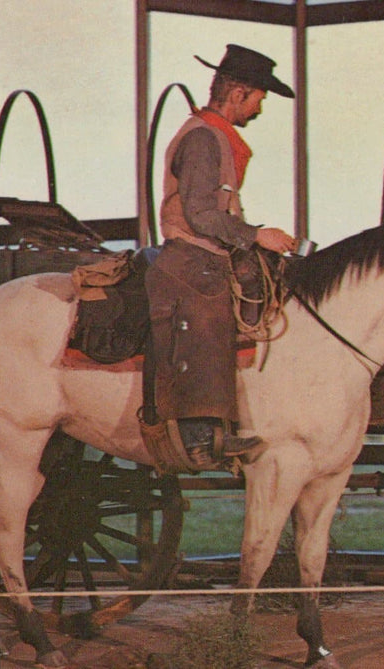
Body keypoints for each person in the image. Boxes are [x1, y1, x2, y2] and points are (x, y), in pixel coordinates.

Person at [144, 44, 296, 468]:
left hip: (213, 249)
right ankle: (199, 433)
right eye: (259, 99)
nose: (260, 109)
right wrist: (255, 234)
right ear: (239, 93)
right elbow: (200, 214)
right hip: (190, 254)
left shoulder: (216, 137)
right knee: (207, 302)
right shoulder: (202, 139)